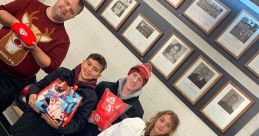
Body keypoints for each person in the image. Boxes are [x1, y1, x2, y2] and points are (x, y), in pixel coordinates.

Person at [0, 0, 85, 112]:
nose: (66, 9)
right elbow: (2, 11)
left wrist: (34, 48)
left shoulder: (63, 40)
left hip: (10, 82)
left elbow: (52, 67)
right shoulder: (31, 3)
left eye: (71, 11)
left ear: (72, 17)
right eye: (67, 3)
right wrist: (16, 24)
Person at [9, 53, 107, 136]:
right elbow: (38, 85)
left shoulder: (91, 97)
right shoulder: (62, 72)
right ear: (83, 62)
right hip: (29, 120)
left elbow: (80, 123)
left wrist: (60, 126)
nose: (89, 69)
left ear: (98, 75)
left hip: (50, 132)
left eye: (95, 69)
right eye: (88, 64)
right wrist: (31, 94)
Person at [73, 63, 152, 136]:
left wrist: (112, 129)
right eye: (134, 75)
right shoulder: (105, 86)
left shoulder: (137, 111)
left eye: (140, 80)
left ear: (142, 85)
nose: (135, 80)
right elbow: (85, 106)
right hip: (79, 130)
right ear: (129, 73)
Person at [98, 110, 180, 136]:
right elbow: (109, 133)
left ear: (170, 131)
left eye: (168, 126)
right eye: (162, 120)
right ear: (156, 118)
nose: (162, 125)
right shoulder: (134, 124)